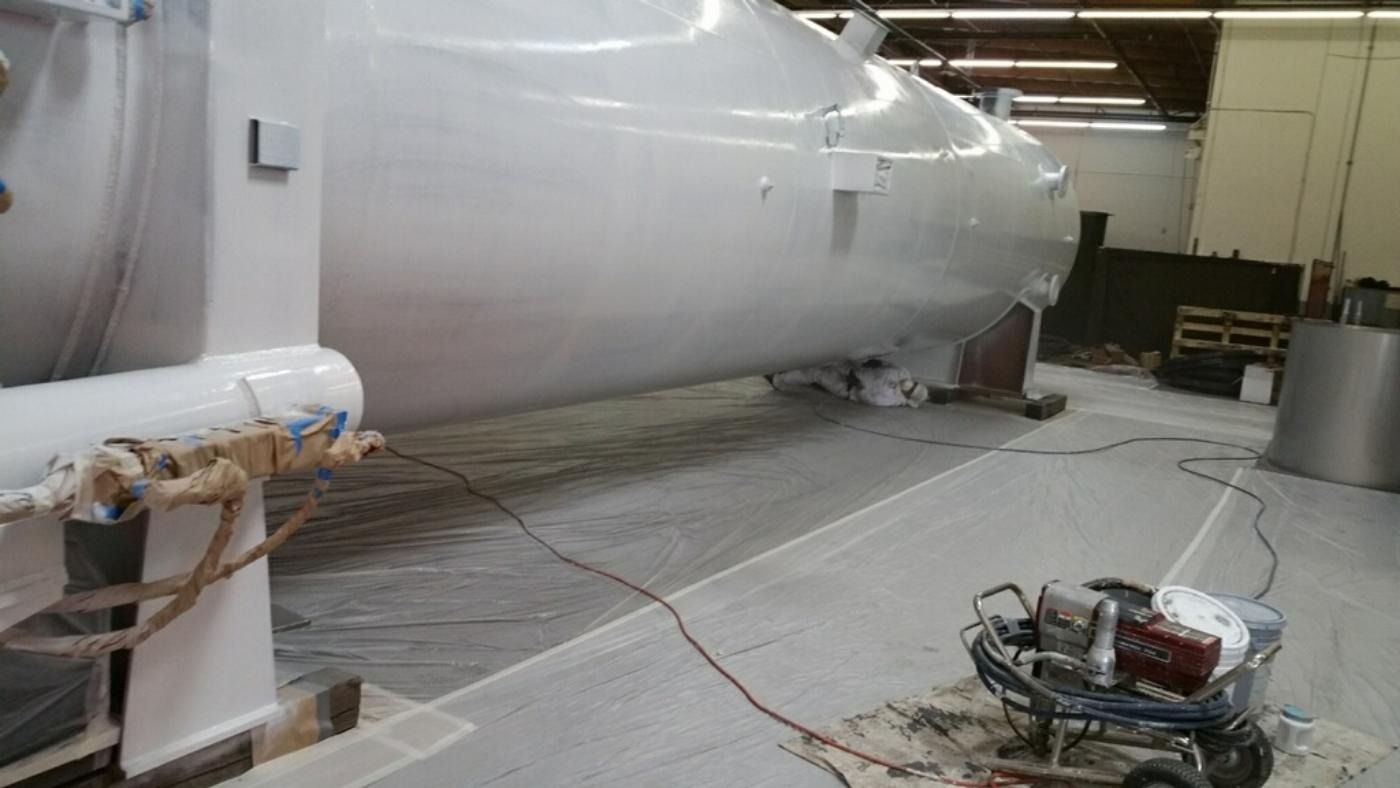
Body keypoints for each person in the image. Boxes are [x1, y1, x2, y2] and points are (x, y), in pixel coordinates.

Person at [766, 359, 928, 408]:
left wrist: (856, 384)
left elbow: (867, 397)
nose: (909, 384)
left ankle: (779, 379)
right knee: (831, 361)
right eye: (914, 384)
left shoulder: (889, 400)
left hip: (848, 388)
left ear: (908, 397)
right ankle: (786, 374)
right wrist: (877, 363)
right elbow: (889, 366)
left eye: (910, 389)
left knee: (818, 373)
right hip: (856, 370)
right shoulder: (903, 373)